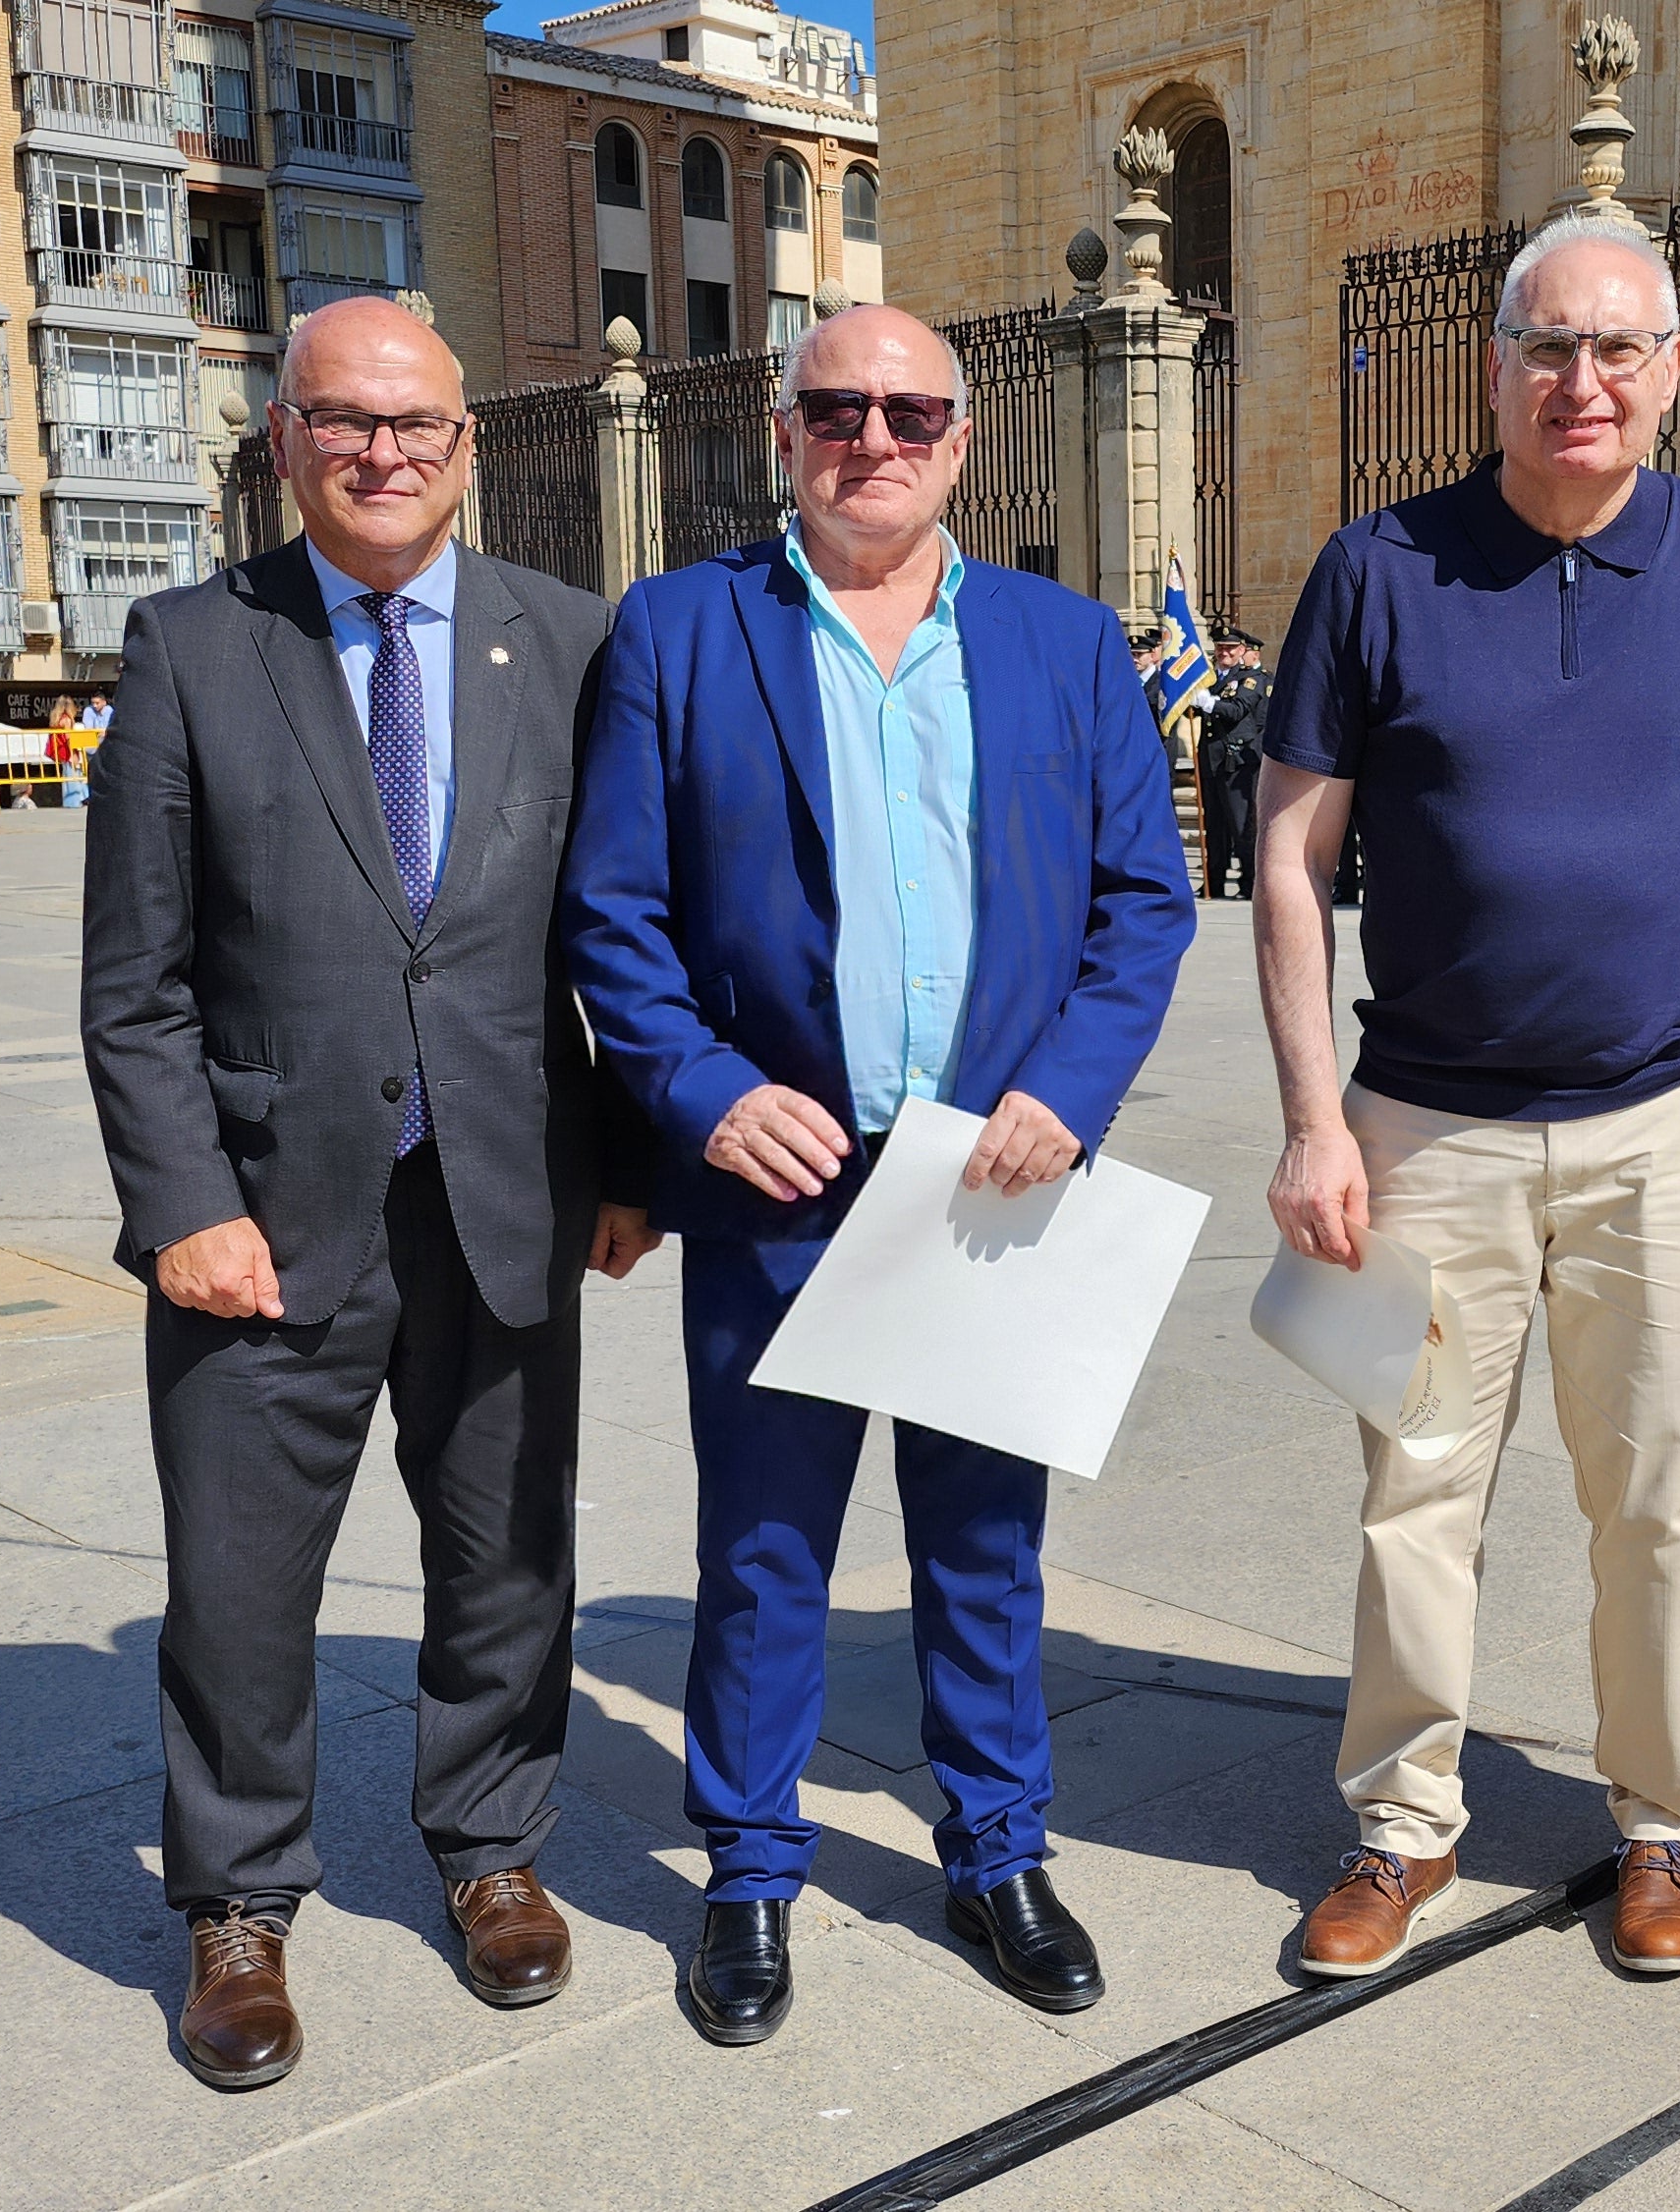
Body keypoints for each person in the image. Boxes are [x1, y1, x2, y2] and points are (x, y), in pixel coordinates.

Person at [564, 304, 1194, 2045]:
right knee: (765, 1550)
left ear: (962, 441)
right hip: (784, 1177)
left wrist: (1068, 1091)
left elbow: (1144, 901)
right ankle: (750, 1875)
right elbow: (613, 914)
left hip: (990, 1182)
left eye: (911, 409)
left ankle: (997, 1847)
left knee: (986, 1547)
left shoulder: (1066, 647)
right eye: (837, 406)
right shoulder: (685, 632)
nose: (874, 436)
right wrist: (697, 1092)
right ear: (784, 433)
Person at [79, 296, 654, 2093]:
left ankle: (491, 1847)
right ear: (285, 443)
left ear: (470, 444)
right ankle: (236, 1900)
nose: (382, 453)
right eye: (344, 422)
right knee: (242, 1580)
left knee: (506, 1556)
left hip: (507, 1188)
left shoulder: (566, 641)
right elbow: (135, 978)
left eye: (415, 424)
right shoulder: (193, 645)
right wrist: (184, 1202)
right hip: (265, 1212)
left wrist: (631, 1159)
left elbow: (619, 935)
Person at [1253, 217, 1680, 1985]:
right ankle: (1402, 1824)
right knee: (1414, 1488)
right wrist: (1312, 1117)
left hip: (1663, 1122)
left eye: (1619, 350)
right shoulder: (1379, 565)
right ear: (1495, 363)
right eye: (1550, 347)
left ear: (1672, 369)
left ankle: (1659, 1820)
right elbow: (1288, 855)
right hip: (1423, 1124)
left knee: (1660, 1498)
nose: (1584, 383)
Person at [1198, 630, 1266, 900]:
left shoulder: (1250, 679)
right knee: (1214, 826)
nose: (1224, 653)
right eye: (1220, 648)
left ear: (1241, 651)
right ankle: (1212, 881)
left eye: (1230, 649)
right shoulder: (1210, 679)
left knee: (1241, 826)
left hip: (1235, 761)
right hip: (1212, 760)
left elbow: (1238, 709)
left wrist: (1210, 703)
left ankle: (1249, 882)